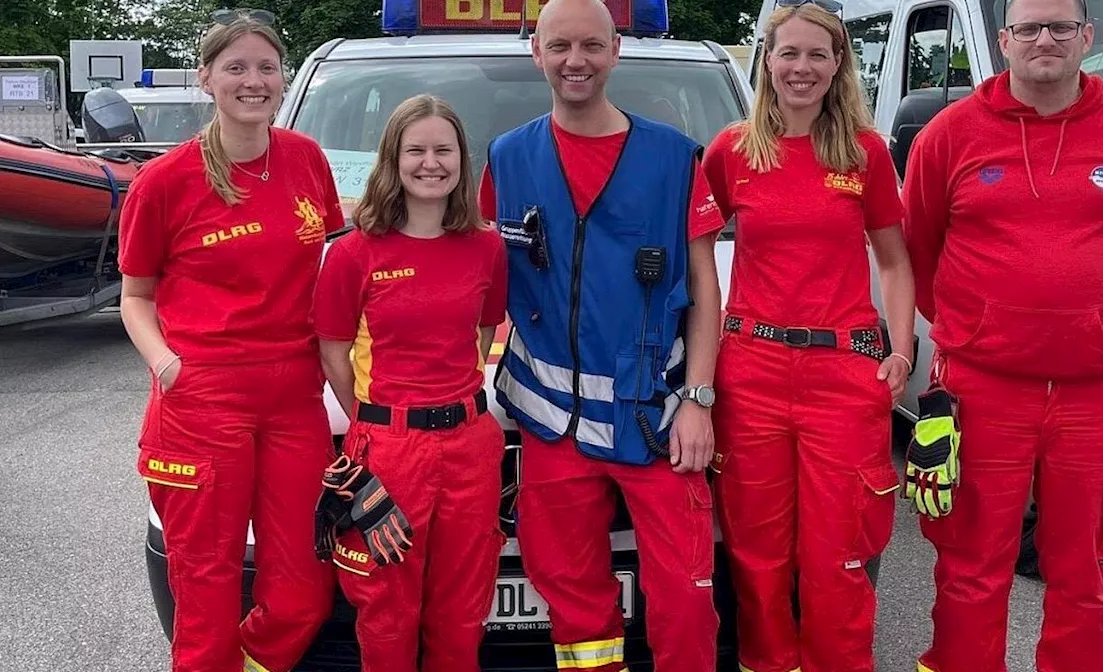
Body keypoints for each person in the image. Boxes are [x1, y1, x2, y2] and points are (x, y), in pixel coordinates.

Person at [901, 0, 1103, 668]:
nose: (1045, 40)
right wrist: (976, 328)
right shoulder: (950, 135)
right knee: (971, 568)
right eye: (1029, 28)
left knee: (1085, 570)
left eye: (1062, 27)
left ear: (1088, 38)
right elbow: (917, 252)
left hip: (1098, 394)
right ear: (1004, 40)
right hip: (982, 390)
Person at [477, 0, 726, 669]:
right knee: (575, 604)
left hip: (657, 419)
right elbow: (475, 276)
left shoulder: (675, 159)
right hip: (550, 425)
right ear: (537, 54)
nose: (575, 61)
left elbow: (707, 292)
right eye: (559, 46)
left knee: (684, 598)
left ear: (616, 51)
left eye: (590, 45)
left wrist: (699, 401)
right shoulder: (507, 159)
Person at [116, 9, 344, 672]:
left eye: (266, 67)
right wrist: (166, 364)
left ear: (283, 77)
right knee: (208, 587)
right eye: (237, 67)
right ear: (207, 77)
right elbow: (135, 297)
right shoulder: (165, 181)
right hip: (202, 398)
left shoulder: (306, 160)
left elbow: (331, 259)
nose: (254, 80)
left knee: (302, 589)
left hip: (295, 396)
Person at [700, 2, 916, 670]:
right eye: (788, 53)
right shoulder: (730, 152)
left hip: (844, 374)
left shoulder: (864, 152)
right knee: (758, 555)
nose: (802, 68)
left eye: (817, 55)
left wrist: (902, 349)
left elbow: (895, 259)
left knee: (839, 551)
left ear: (838, 64)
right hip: (753, 369)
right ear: (767, 61)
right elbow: (696, 261)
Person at [312, 93, 508, 672]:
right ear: (392, 160)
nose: (431, 162)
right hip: (391, 452)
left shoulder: (486, 246)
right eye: (415, 149)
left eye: (443, 149)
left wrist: (449, 403)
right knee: (386, 611)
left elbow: (483, 331)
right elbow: (333, 352)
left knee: (463, 610)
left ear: (461, 159)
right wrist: (377, 419)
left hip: (472, 443)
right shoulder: (352, 253)